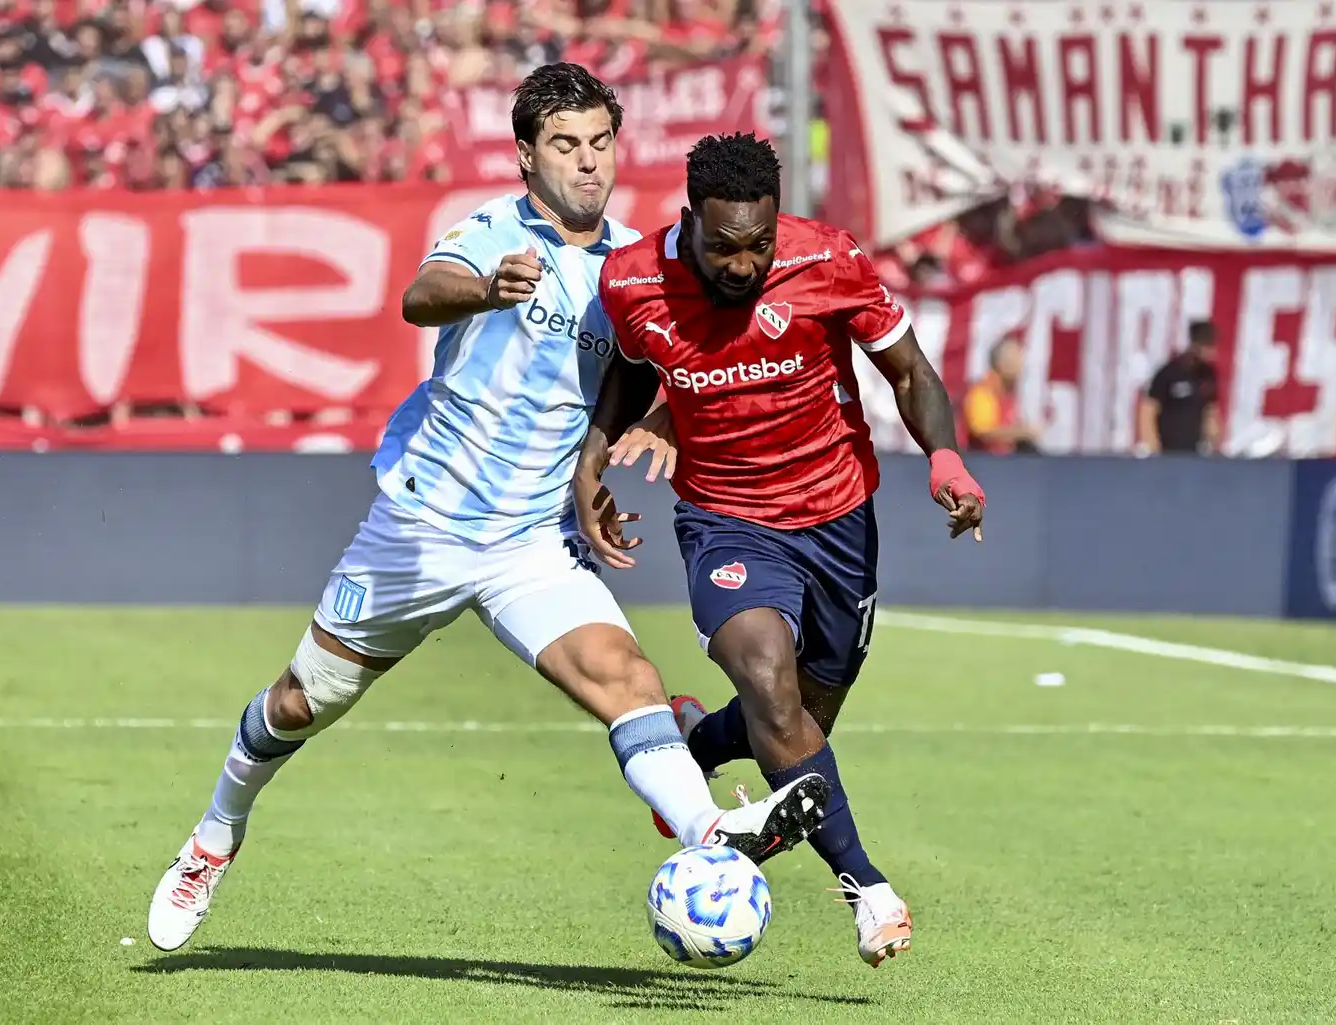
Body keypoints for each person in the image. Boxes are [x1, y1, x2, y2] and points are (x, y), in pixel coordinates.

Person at [146, 68, 828, 953]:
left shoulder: (633, 265)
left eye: (599, 143)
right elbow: (420, 293)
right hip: (421, 530)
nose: (587, 163)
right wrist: (485, 289)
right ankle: (215, 831)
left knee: (629, 680)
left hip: (530, 544)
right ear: (525, 156)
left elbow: (657, 368)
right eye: (565, 145)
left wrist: (630, 443)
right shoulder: (491, 233)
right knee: (298, 703)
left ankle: (710, 834)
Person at [573, 133, 987, 967]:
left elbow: (907, 370)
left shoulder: (828, 260)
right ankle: (868, 888)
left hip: (838, 519)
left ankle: (696, 741)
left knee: (801, 721)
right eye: (724, 246)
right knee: (767, 678)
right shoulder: (631, 281)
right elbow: (629, 365)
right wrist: (593, 459)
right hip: (724, 518)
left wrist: (945, 455)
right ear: (691, 221)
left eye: (758, 243)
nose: (744, 262)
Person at [1136, 320, 1221, 455]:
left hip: (1195, 453)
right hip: (1167, 452)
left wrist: (1215, 443)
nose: (1212, 352)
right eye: (1208, 346)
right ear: (1196, 345)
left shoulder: (1208, 375)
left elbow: (1210, 411)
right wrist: (1153, 447)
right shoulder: (1169, 372)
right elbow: (1148, 409)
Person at [961, 332, 1039, 454]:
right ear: (1001, 364)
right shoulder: (983, 392)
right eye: (1016, 359)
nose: (1021, 365)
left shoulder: (1007, 395)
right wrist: (1023, 432)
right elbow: (983, 431)